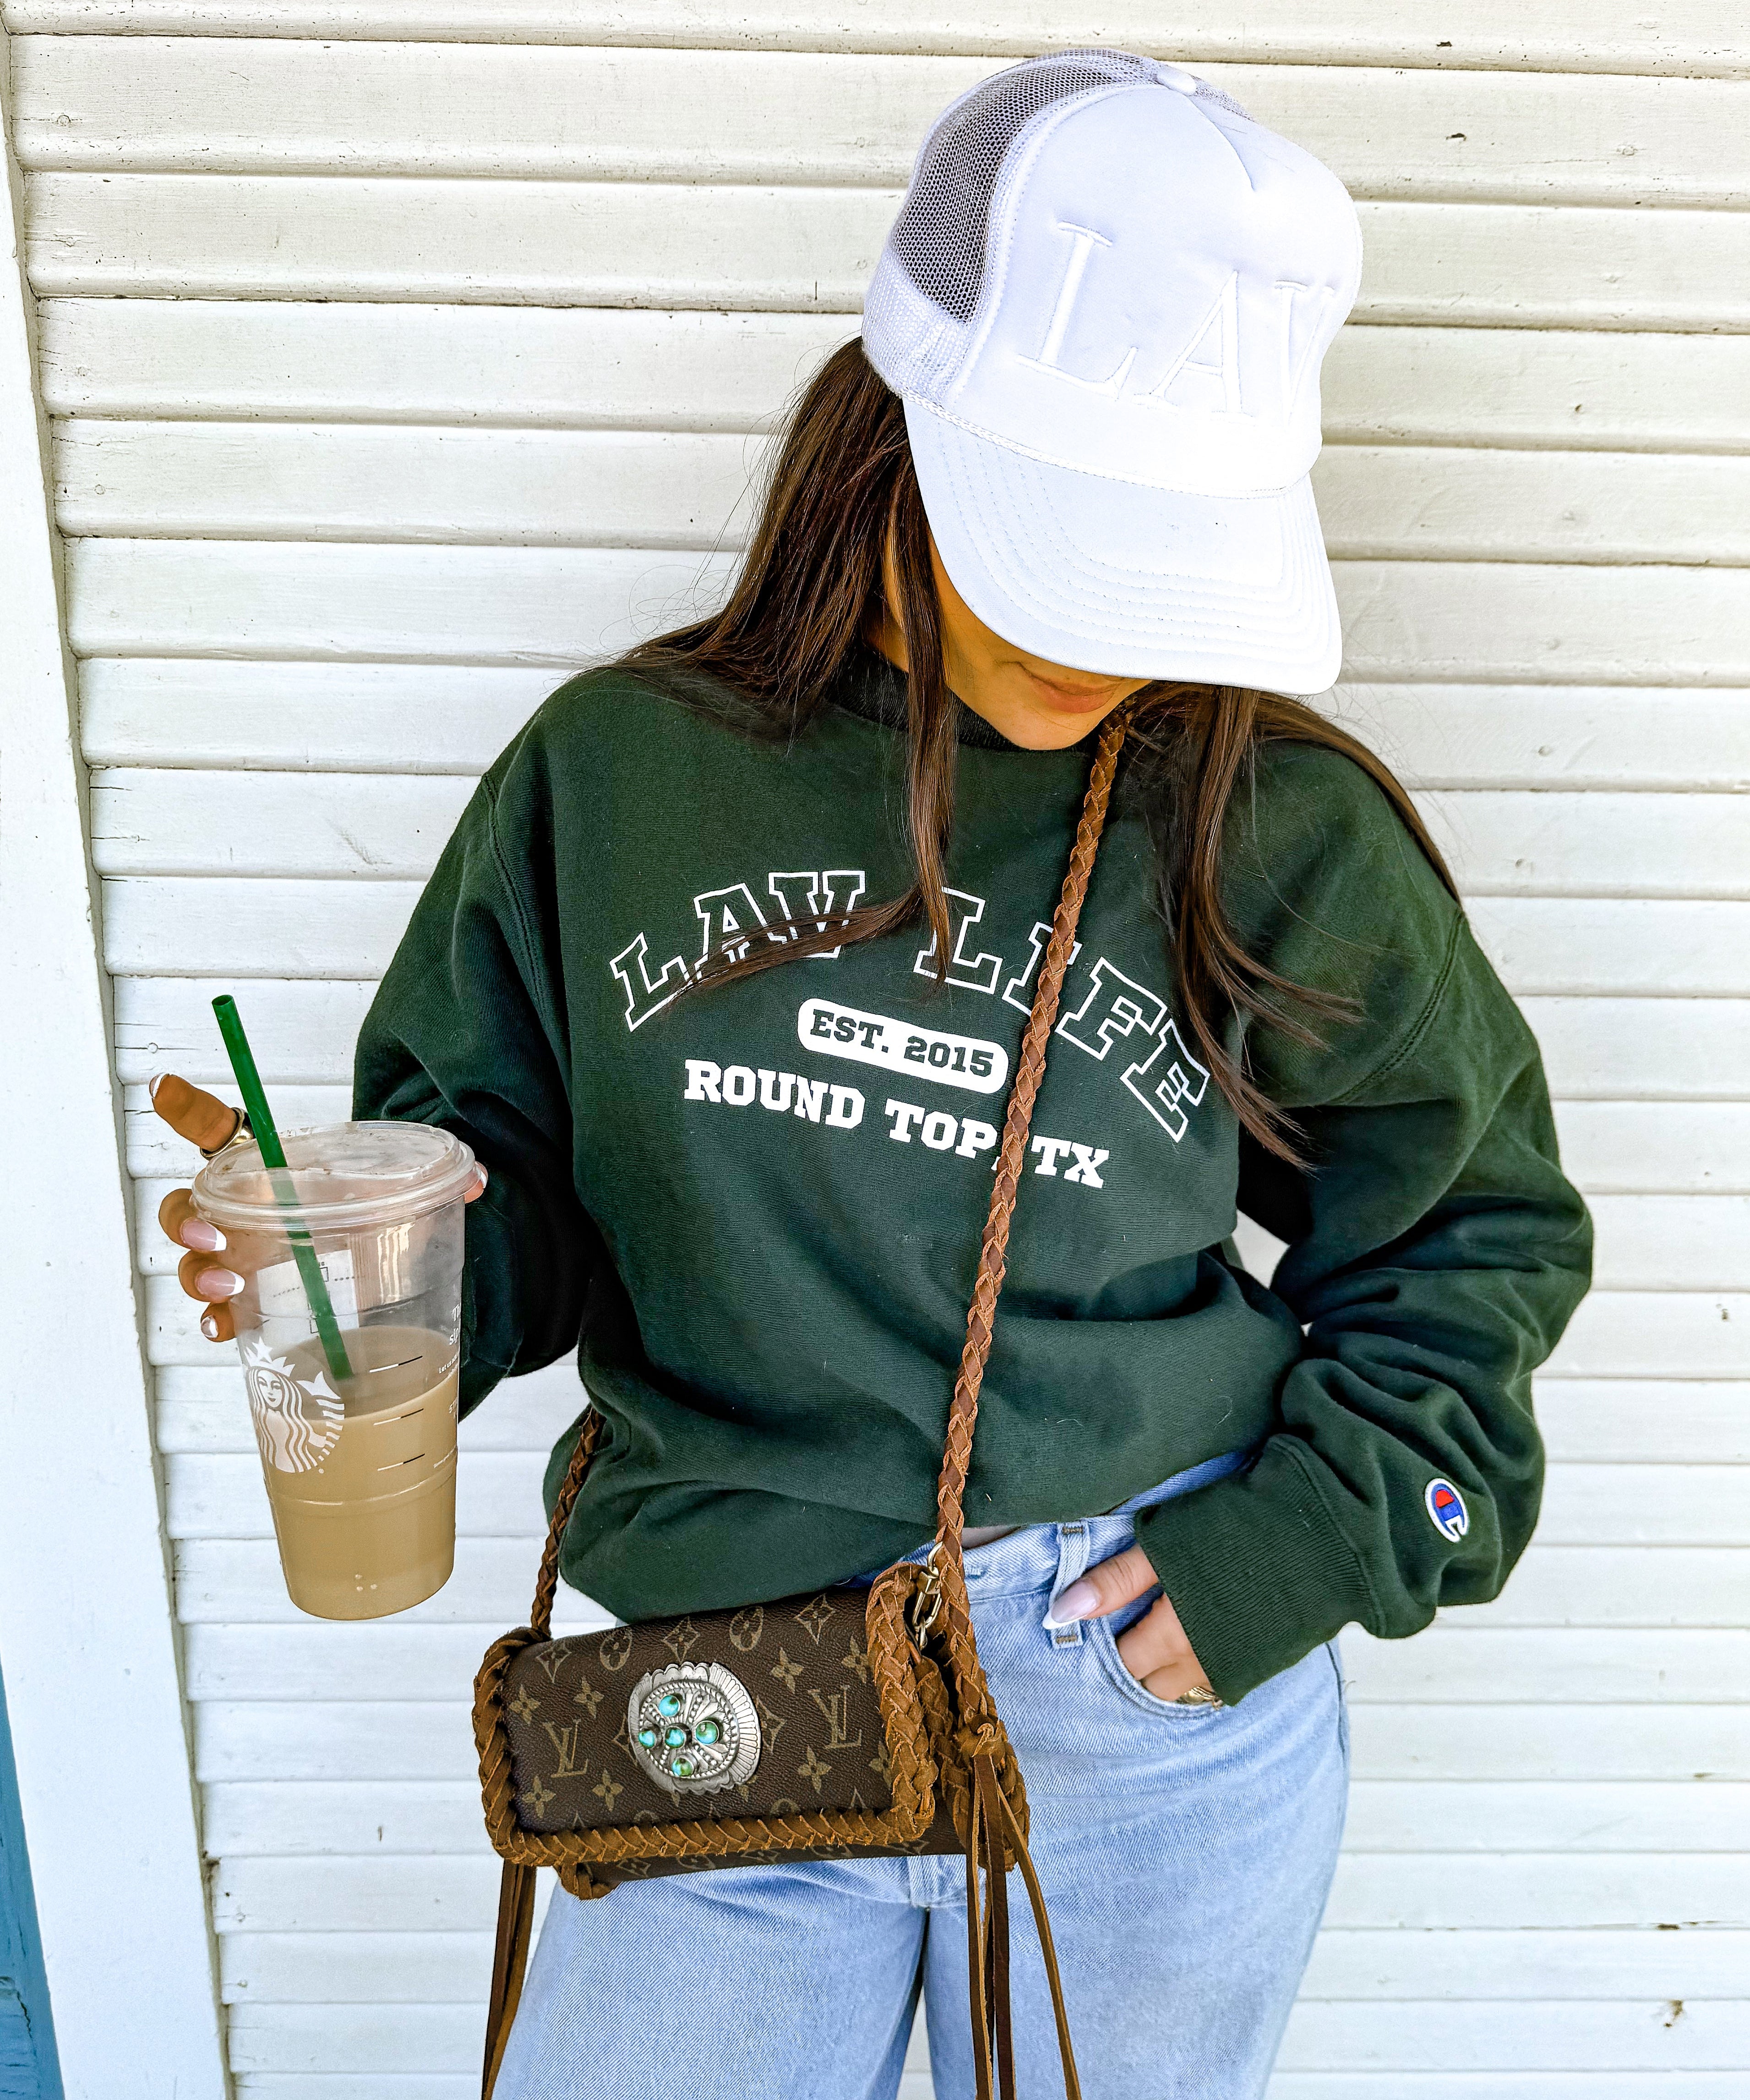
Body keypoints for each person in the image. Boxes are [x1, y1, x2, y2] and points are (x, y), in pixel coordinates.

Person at [154, 50, 1592, 2100]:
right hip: (725, 1689)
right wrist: (384, 1281)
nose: (1121, 633)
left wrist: (1303, 1545)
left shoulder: (1264, 827)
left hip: (1134, 1704)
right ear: (906, 419)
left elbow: (1469, 1238)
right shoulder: (615, 777)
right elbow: (511, 1183)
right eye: (1082, 537)